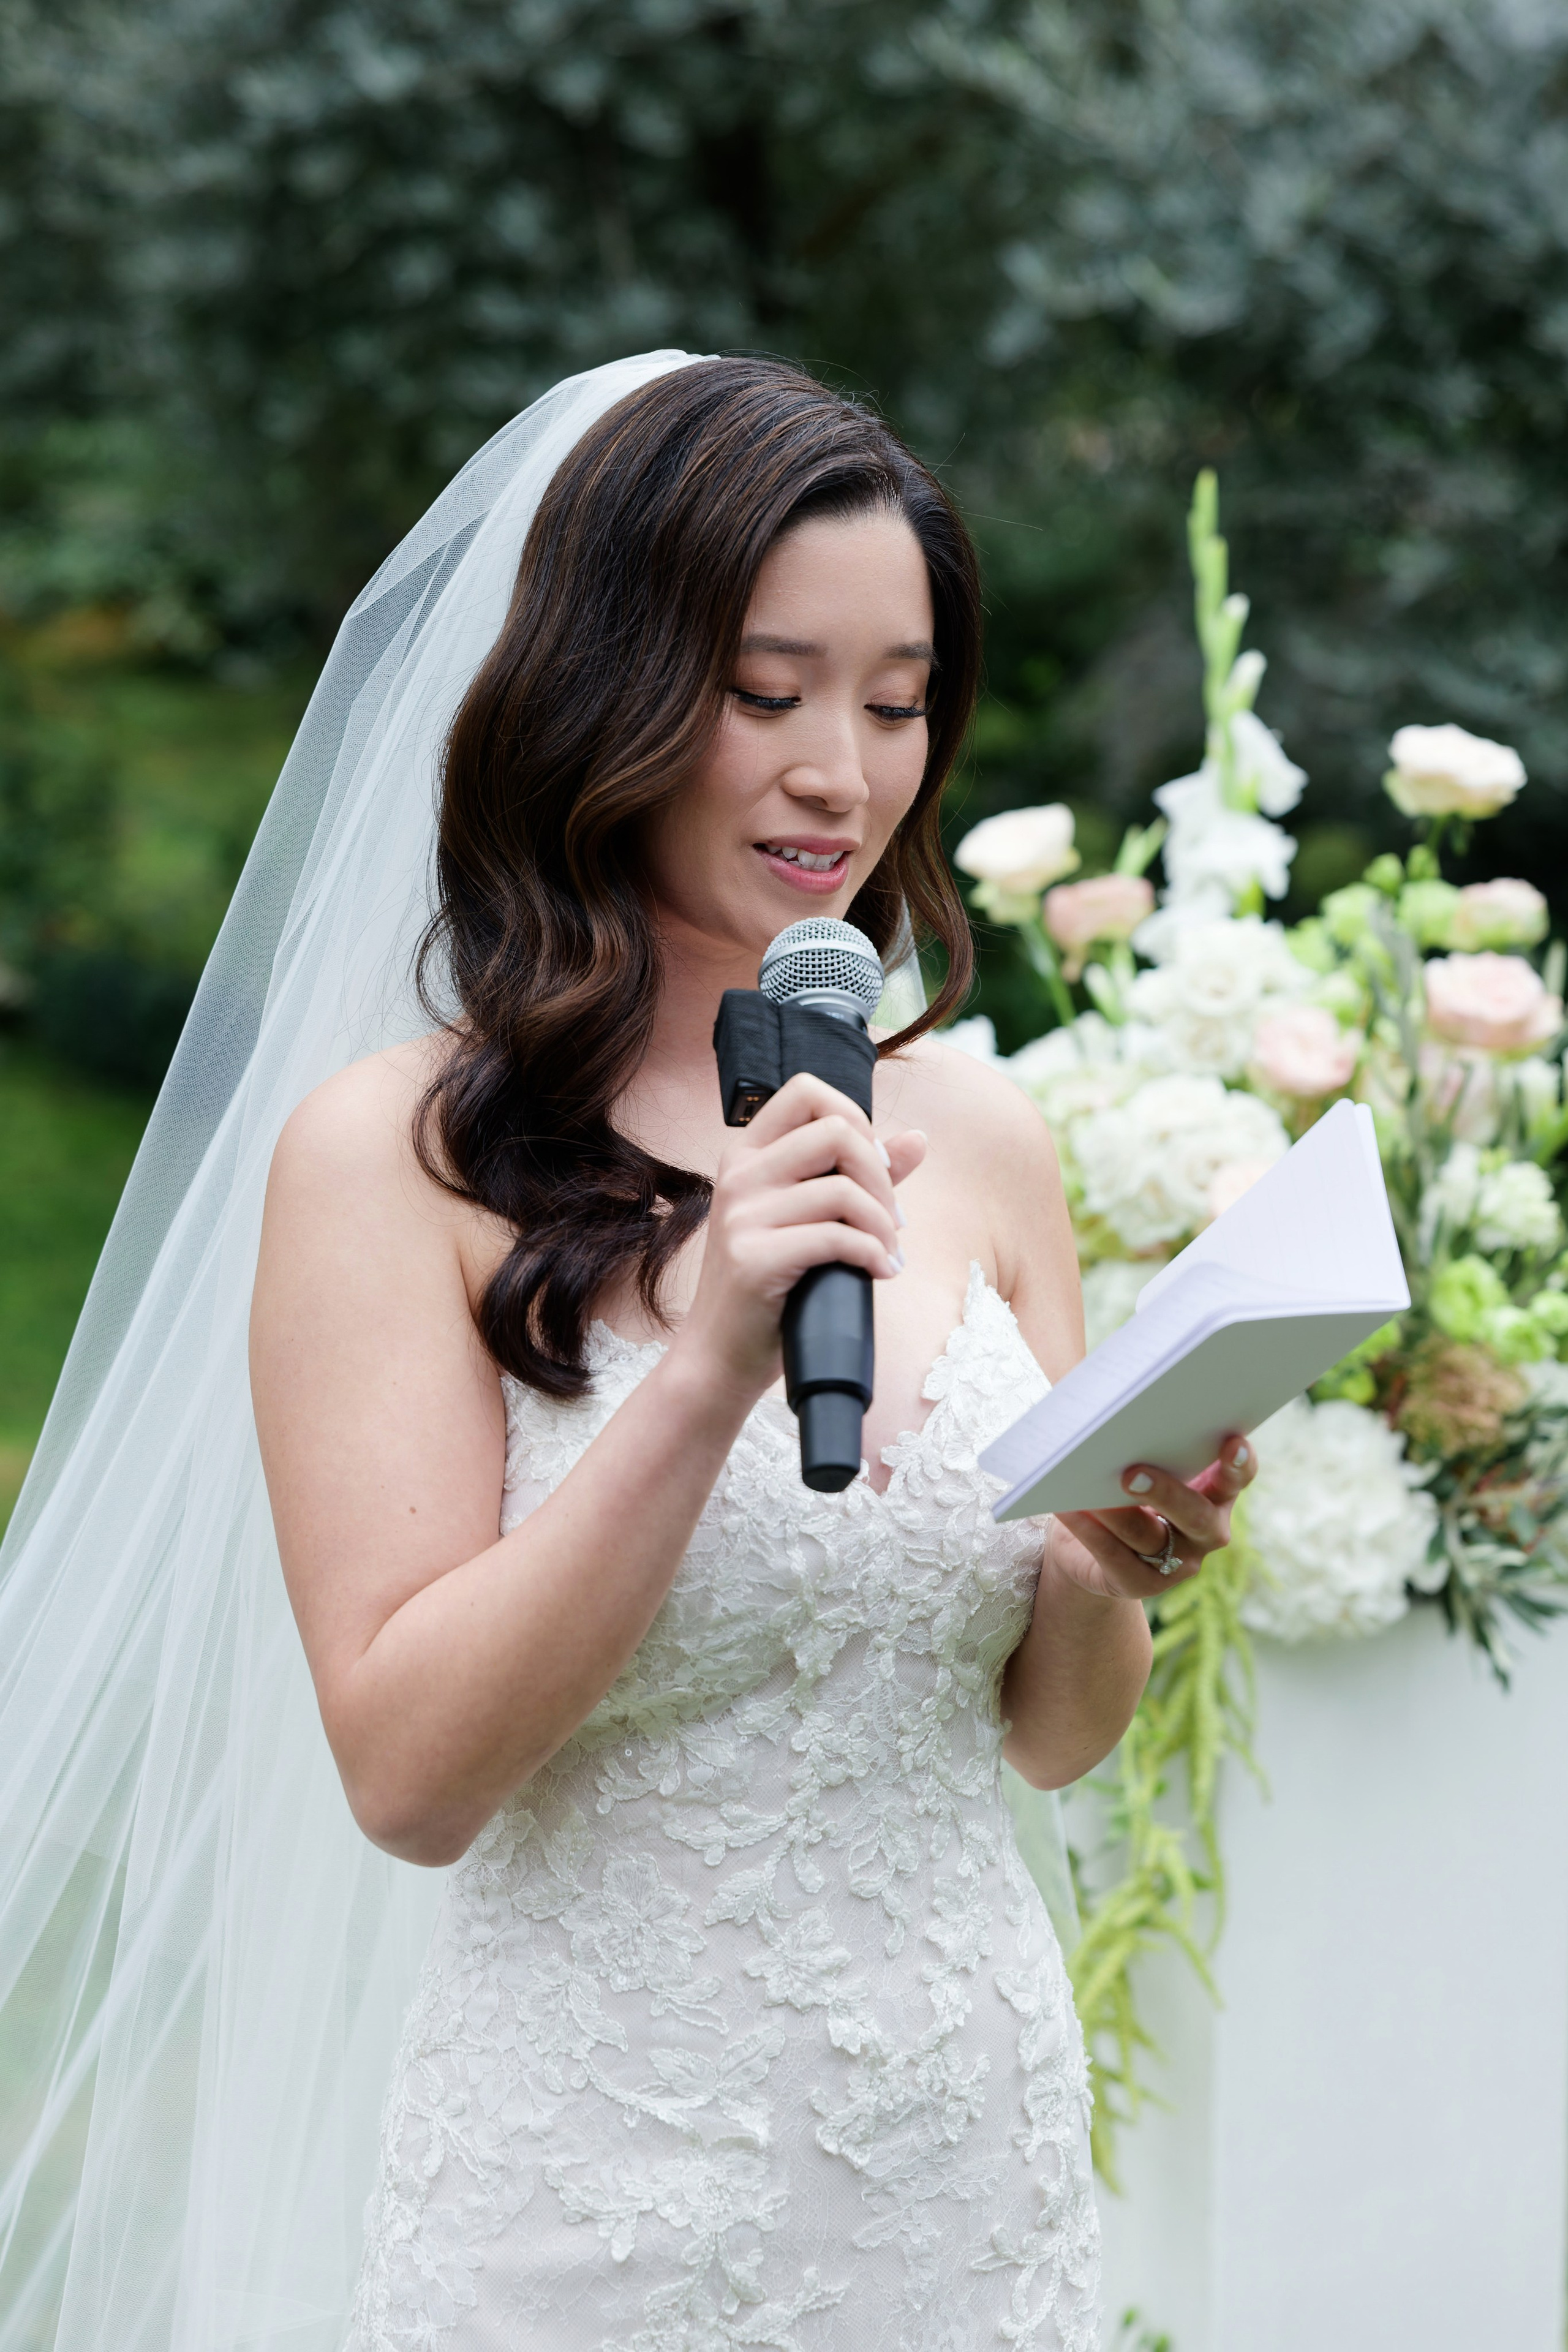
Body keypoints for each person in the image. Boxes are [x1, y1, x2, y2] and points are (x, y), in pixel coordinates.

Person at [245, 356, 1255, 2352]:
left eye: (895, 706)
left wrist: (1104, 1560)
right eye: (769, 693)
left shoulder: (979, 1135)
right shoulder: (396, 1155)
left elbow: (1046, 1735)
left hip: (963, 2166)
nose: (842, 778)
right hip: (595, 2202)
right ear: (609, 693)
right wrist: (703, 1371)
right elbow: (412, 1775)